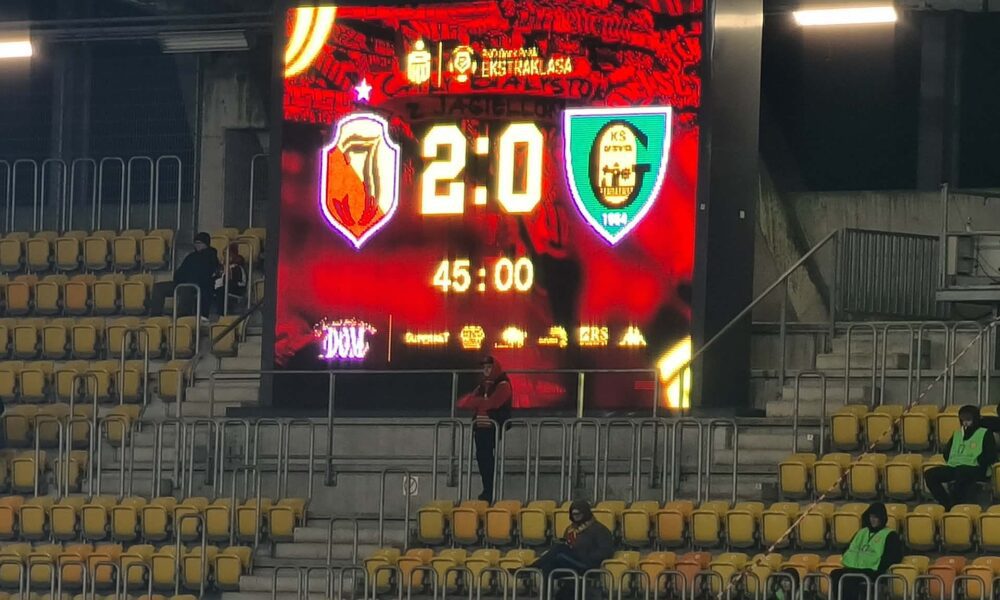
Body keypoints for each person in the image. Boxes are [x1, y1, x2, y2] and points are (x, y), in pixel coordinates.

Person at [457, 356, 512, 502]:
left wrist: (478, 402)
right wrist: (482, 402)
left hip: (492, 428)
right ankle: (487, 490)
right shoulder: (482, 385)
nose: (486, 370)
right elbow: (464, 402)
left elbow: (493, 403)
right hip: (480, 428)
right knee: (482, 459)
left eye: (489, 367)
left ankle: (489, 491)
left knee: (487, 460)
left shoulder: (503, 384)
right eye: (484, 367)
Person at [924, 405, 996, 509]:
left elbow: (991, 455)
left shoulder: (985, 433)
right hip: (955, 467)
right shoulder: (957, 434)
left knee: (961, 472)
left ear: (975, 419)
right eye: (963, 420)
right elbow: (947, 453)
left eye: (968, 420)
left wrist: (980, 461)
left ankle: (955, 504)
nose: (965, 423)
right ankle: (947, 503)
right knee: (930, 474)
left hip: (976, 469)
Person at [830, 503, 902, 600]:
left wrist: (879, 567)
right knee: (835, 574)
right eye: (871, 517)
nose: (872, 520)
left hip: (873, 570)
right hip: (855, 568)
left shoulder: (890, 535)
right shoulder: (862, 532)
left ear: (882, 518)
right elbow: (847, 550)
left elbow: (894, 557)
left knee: (849, 579)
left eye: (875, 517)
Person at [531, 500, 614, 578]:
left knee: (559, 548)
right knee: (549, 566)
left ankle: (533, 567)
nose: (576, 516)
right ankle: (545, 588)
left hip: (588, 564)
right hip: (570, 561)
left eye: (578, 514)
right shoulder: (570, 529)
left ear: (585, 513)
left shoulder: (600, 530)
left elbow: (606, 551)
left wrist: (586, 555)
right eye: (573, 514)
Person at [148, 232, 220, 320]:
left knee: (186, 288)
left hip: (199, 285)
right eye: (195, 243)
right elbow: (181, 271)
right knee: (159, 287)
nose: (197, 245)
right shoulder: (191, 256)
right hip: (182, 282)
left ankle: (181, 318)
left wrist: (190, 280)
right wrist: (178, 279)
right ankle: (155, 316)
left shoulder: (211, 256)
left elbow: (208, 274)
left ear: (206, 244)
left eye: (199, 243)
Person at [215, 243, 248, 314]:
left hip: (236, 289)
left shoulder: (237, 267)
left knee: (221, 291)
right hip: (224, 287)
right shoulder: (222, 267)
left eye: (228, 255)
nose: (226, 257)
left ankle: (221, 314)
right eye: (224, 255)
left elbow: (232, 282)